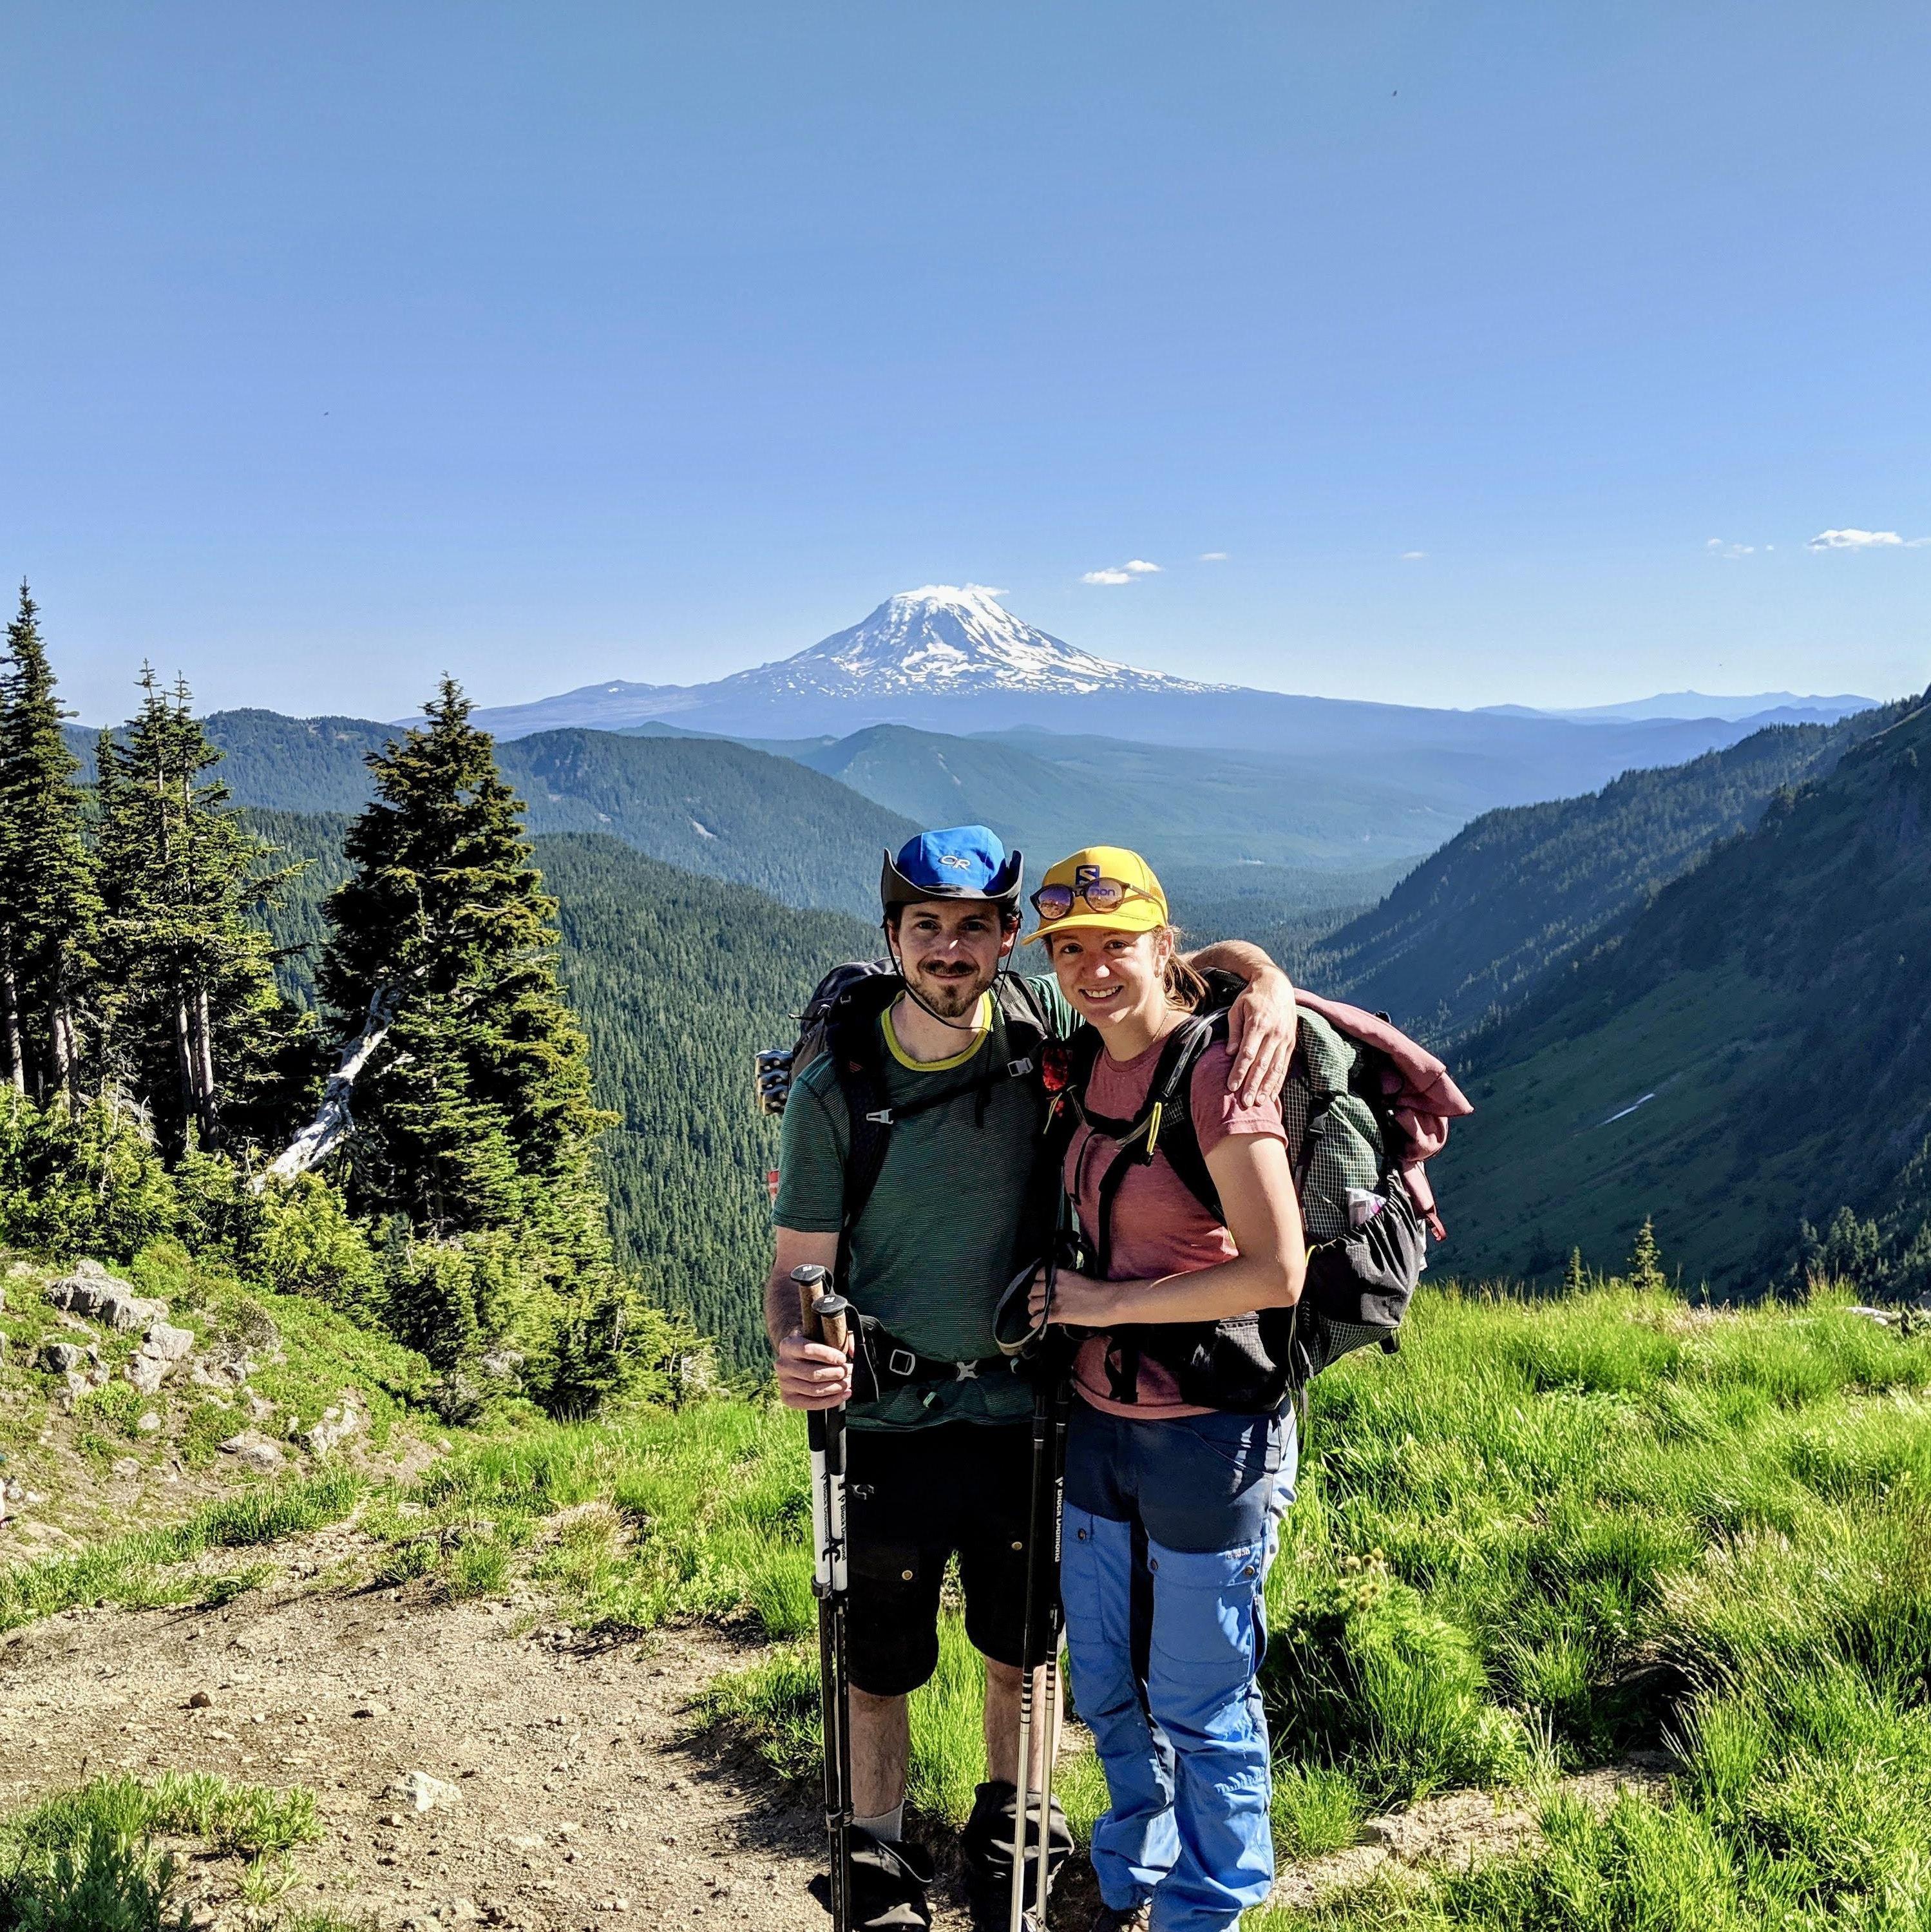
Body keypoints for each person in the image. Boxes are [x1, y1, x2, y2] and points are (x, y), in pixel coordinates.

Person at [765, 826, 1298, 1932]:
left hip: (1024, 1411)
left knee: (1025, 1649)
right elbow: (795, 1269)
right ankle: (877, 1859)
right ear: (893, 938)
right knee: (879, 1661)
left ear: (1009, 937)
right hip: (888, 1415)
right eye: (927, 929)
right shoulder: (836, 1087)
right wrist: (792, 1344)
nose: (950, 951)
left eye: (974, 928)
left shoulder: (1043, 1042)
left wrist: (1266, 984)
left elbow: (1161, 980)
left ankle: (1015, 1834)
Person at [1025, 846, 1306, 1932]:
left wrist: (1100, 1306)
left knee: (1199, 1697)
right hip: (1098, 1426)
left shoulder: (1218, 1079)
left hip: (1204, 1435)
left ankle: (1207, 1908)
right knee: (1103, 1681)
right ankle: (1126, 1876)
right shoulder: (1079, 1068)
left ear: (1161, 945)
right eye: (1071, 951)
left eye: (1116, 946)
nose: (1093, 970)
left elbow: (1274, 1271)